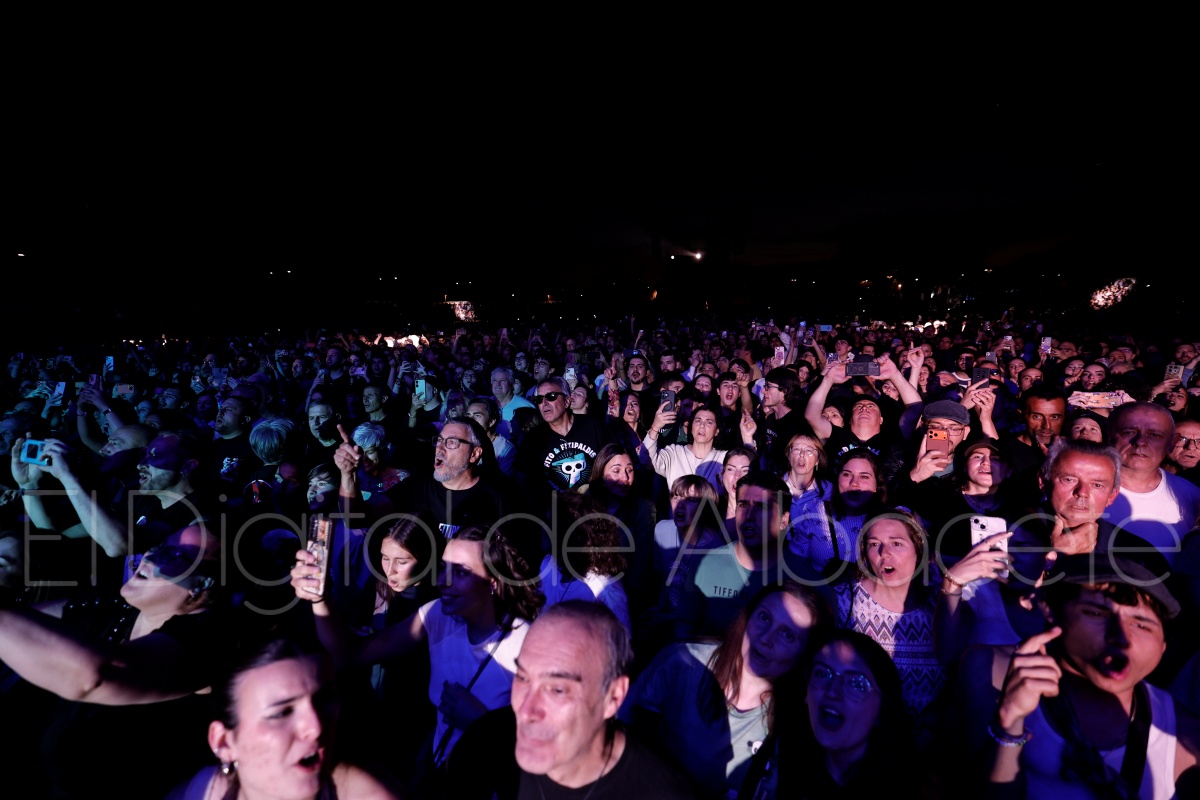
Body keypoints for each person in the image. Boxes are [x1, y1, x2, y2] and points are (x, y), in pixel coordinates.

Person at [0, 525, 240, 799]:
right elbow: (23, 624)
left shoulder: (209, 639)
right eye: (159, 546)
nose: (150, 556)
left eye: (172, 555)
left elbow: (96, 676)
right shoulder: (115, 608)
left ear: (201, 586)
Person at [291, 524, 543, 780]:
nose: (442, 581)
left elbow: (548, 749)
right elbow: (351, 655)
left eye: (460, 572)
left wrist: (480, 723)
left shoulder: (528, 646)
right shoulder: (437, 615)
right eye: (444, 568)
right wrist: (319, 598)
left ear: (493, 583)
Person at [986, 553, 1199, 797]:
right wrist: (1010, 723)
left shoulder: (1186, 737)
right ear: (1050, 610)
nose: (1121, 637)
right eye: (1097, 613)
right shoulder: (993, 676)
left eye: (1141, 624)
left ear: (1163, 646)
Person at [621, 582, 828, 799]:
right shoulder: (685, 662)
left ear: (805, 655)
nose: (766, 638)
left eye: (787, 635)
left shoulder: (795, 725)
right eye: (764, 617)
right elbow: (617, 729)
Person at [167, 637, 400, 800]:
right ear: (224, 742)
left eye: (324, 701)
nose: (316, 727)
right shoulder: (201, 792)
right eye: (282, 713)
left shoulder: (372, 794)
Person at [511, 601, 695, 799]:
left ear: (613, 696)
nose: (526, 711)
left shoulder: (663, 794)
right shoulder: (492, 749)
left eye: (558, 690)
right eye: (522, 678)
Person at [737, 629, 917, 799]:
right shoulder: (779, 763)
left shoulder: (910, 788)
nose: (832, 691)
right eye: (822, 674)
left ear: (883, 709)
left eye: (856, 683)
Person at [833, 509, 946, 742]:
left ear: (918, 549)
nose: (884, 553)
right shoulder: (843, 602)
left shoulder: (941, 602)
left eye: (896, 543)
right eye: (874, 544)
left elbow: (957, 673)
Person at [1105, 401, 1200, 566]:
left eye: (1154, 435)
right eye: (1129, 432)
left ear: (1171, 443)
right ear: (1109, 436)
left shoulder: (1192, 496)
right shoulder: (1078, 491)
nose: (1141, 441)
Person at [644, 403, 732, 492]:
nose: (702, 425)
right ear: (691, 427)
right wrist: (655, 427)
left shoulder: (724, 458)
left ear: (717, 431)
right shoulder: (675, 453)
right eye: (698, 421)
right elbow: (646, 459)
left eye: (709, 422)